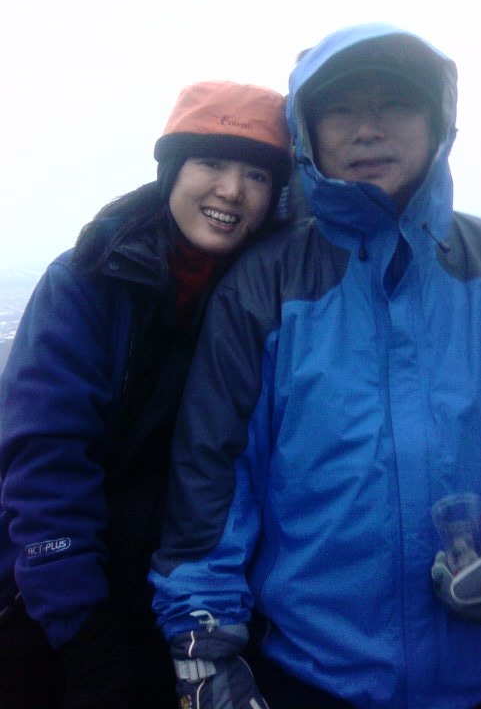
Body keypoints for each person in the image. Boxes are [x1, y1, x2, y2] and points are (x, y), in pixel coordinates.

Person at [149, 23, 481, 709]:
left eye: (394, 103)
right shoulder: (263, 287)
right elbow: (212, 473)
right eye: (339, 109)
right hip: (313, 674)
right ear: (307, 132)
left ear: (437, 119)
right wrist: (203, 641)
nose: (367, 129)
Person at [0, 80, 291, 709]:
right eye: (209, 162)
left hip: (192, 605)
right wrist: (83, 633)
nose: (231, 190)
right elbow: (45, 459)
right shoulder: (90, 278)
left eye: (257, 175)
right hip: (61, 603)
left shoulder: (273, 297)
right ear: (171, 171)